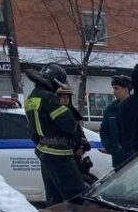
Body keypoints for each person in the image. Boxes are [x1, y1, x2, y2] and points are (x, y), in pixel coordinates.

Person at [24, 64, 88, 204]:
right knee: (76, 196)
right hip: (59, 156)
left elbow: (33, 131)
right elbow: (70, 125)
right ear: (55, 81)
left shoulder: (31, 98)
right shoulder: (49, 98)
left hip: (43, 152)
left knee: (54, 198)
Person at [100, 74, 131, 169]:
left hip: (137, 158)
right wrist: (111, 148)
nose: (114, 92)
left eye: (117, 89)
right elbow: (104, 131)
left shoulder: (136, 107)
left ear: (126, 89)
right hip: (118, 160)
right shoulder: (110, 109)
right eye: (113, 89)